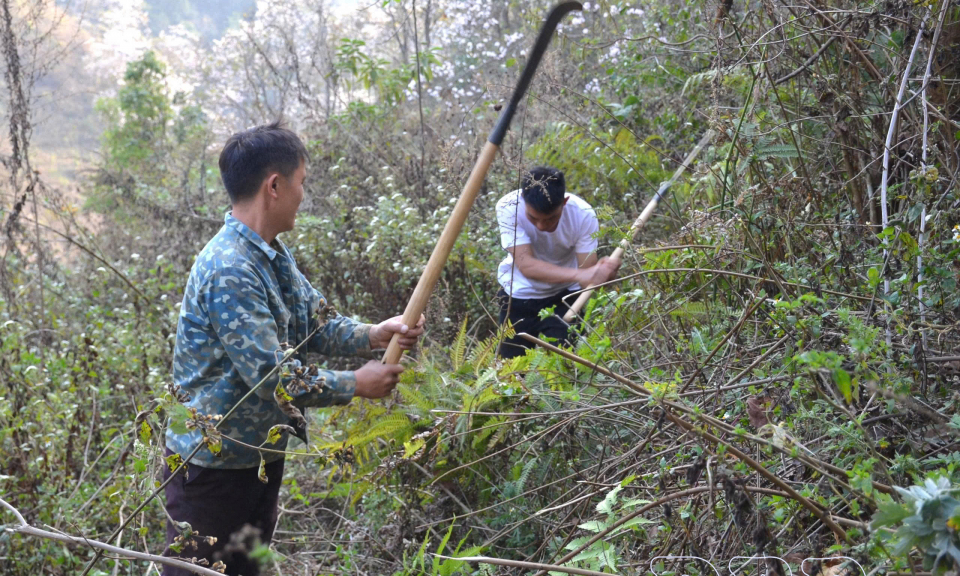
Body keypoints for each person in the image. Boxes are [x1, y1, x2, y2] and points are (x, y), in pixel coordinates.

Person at [162, 121, 424, 575]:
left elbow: (315, 326)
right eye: (302, 182)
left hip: (258, 458)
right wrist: (355, 384)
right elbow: (272, 378)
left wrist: (374, 334)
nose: (305, 194)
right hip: (211, 468)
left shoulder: (271, 254)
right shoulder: (230, 269)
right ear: (275, 186)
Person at [495, 166, 619, 358]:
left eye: (551, 218)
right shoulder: (508, 207)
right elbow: (526, 264)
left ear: (565, 202)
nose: (541, 226)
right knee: (511, 373)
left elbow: (588, 279)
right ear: (522, 201)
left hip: (565, 297)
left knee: (571, 366)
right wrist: (581, 275)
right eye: (533, 218)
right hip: (517, 296)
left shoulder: (583, 215)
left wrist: (603, 275)